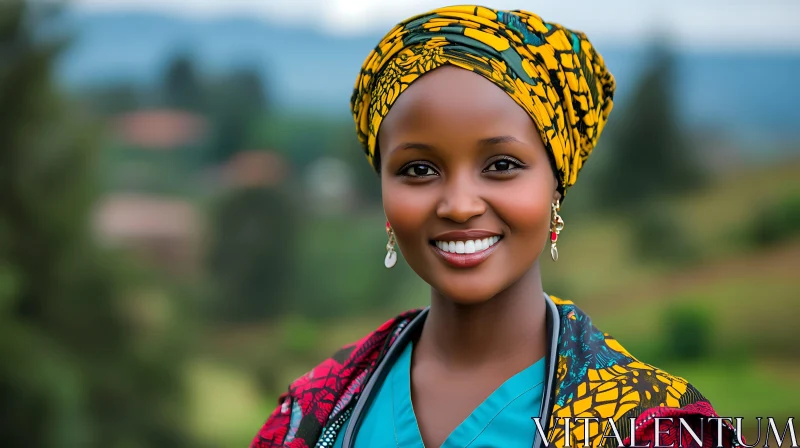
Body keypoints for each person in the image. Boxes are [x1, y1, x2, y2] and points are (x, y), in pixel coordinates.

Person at [252, 6, 740, 448]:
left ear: (556, 185)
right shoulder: (315, 410)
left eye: (502, 164)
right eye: (419, 170)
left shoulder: (654, 428)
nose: (460, 206)